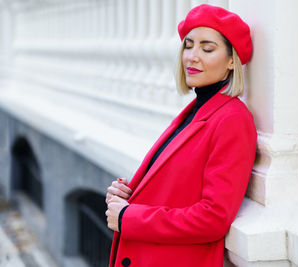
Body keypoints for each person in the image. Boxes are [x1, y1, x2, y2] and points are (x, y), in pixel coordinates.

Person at [105, 4, 257, 267]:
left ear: (232, 60)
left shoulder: (232, 119)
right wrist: (129, 195)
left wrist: (130, 217)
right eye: (188, 45)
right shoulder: (194, 112)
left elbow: (213, 219)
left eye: (207, 48)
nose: (192, 57)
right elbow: (178, 187)